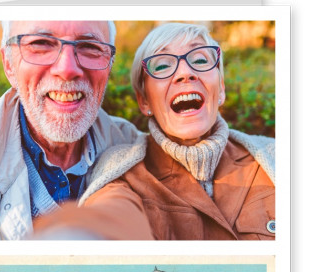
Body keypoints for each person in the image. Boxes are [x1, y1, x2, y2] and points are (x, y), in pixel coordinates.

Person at [33, 22, 275, 240]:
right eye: (162, 65)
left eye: (200, 60)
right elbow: (111, 215)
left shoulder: (274, 157)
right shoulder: (123, 173)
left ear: (220, 88)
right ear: (144, 101)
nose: (185, 73)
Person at [0, 20, 144, 240]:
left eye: (90, 47)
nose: (67, 69)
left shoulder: (133, 148)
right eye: (41, 43)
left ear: (109, 65)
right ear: (8, 64)